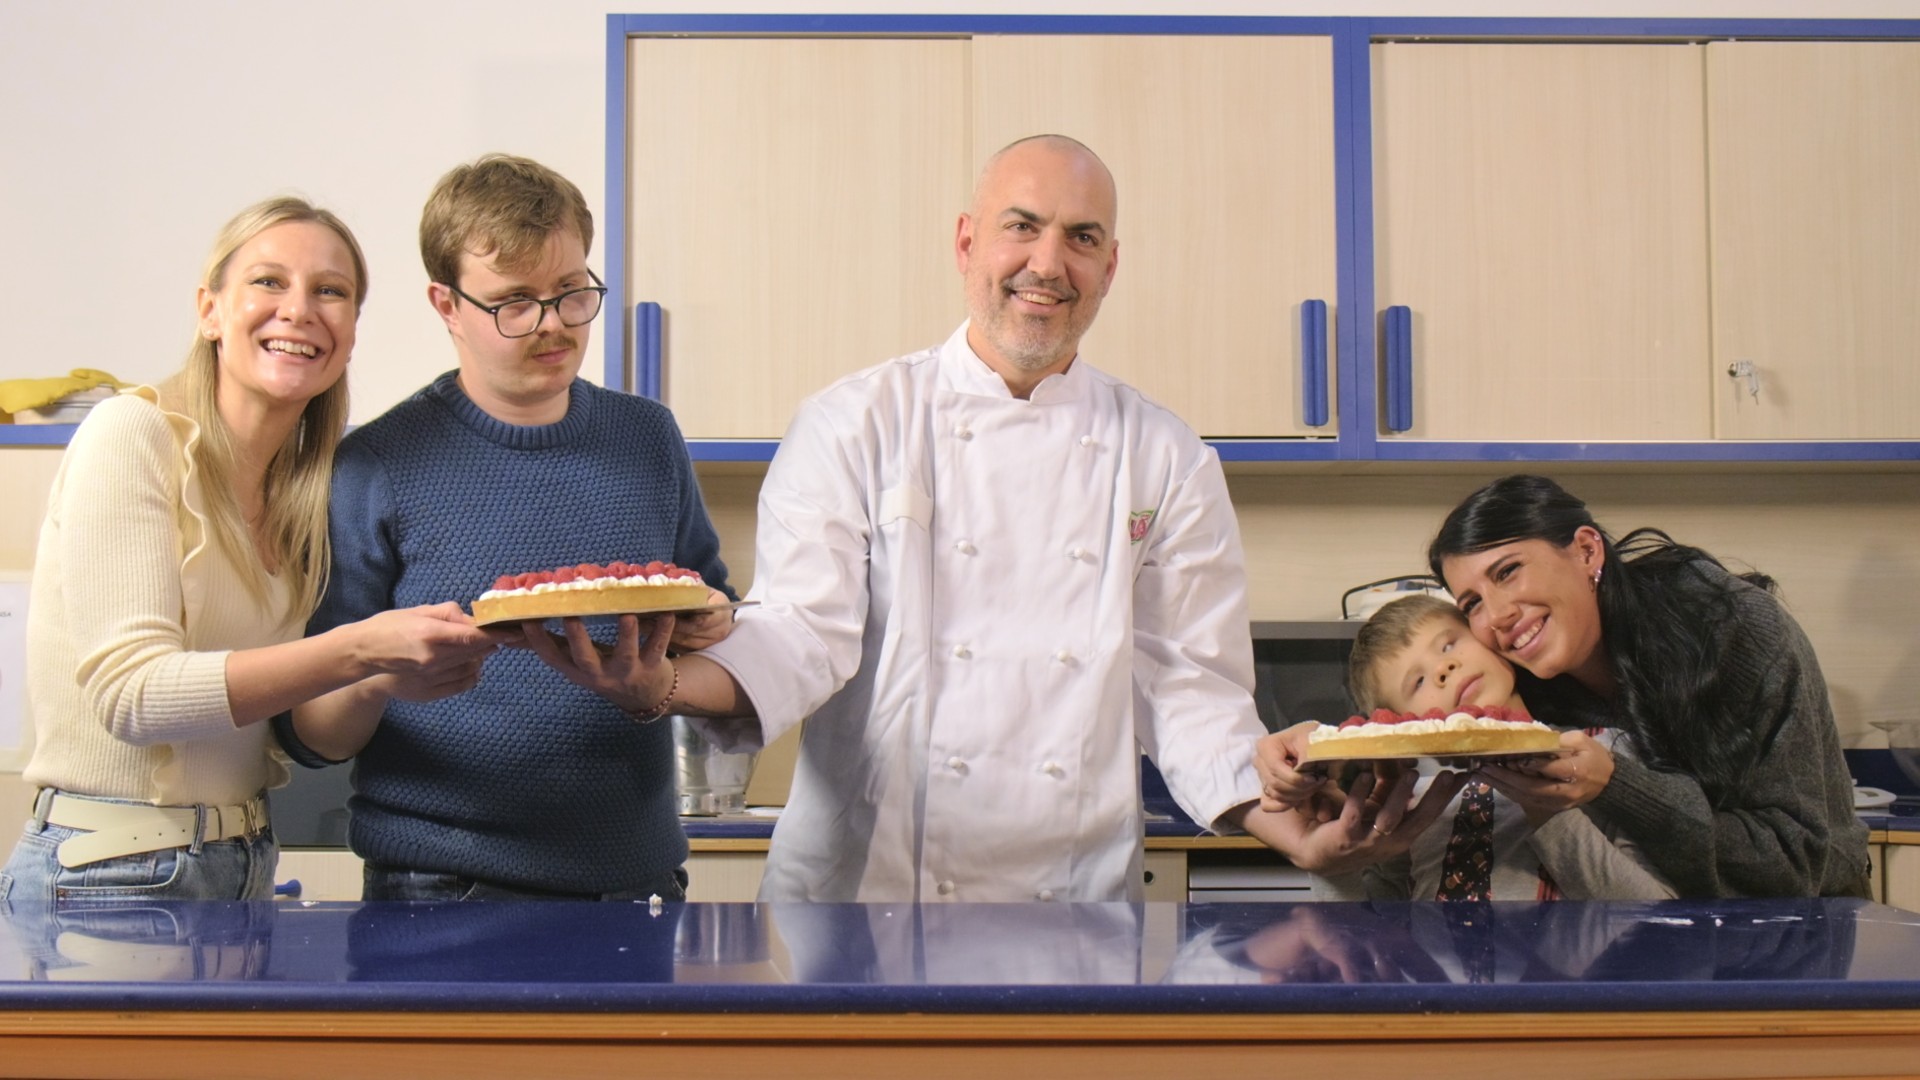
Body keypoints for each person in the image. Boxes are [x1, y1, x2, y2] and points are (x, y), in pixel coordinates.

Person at [527, 133, 1447, 902]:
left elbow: (1188, 686)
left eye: (1082, 237)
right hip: (865, 901)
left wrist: (1279, 815)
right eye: (1023, 227)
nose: (1049, 263)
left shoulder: (1167, 457)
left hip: (1075, 905)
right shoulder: (856, 422)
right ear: (967, 243)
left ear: (1110, 266)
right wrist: (662, 687)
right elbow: (805, 634)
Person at [2, 198, 501, 906]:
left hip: (238, 865)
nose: (299, 310)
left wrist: (379, 677)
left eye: (331, 291)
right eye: (269, 282)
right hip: (108, 873)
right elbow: (131, 694)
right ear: (209, 310)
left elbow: (309, 739)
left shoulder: (304, 493)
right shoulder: (132, 436)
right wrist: (360, 649)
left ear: (352, 332)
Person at [278, 155, 736, 902]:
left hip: (635, 881)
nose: (553, 325)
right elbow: (315, 732)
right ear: (446, 304)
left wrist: (699, 634)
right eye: (514, 303)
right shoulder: (375, 466)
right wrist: (382, 671)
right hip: (436, 892)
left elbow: (710, 608)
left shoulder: (648, 436)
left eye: (570, 293)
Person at [1262, 474, 1870, 899]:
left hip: (1803, 923)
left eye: (1509, 571)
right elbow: (1411, 713)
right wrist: (1322, 751)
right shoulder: (1516, 677)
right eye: (1472, 601)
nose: (1497, 615)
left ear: (1585, 551)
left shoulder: (1735, 633)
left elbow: (1800, 864)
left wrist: (1614, 785)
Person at [1316, 594, 1673, 902]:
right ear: (1398, 725)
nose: (1444, 668)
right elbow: (1369, 940)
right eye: (1418, 680)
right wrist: (1331, 866)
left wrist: (1547, 809)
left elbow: (1654, 913)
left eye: (1449, 644)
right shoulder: (1410, 804)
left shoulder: (1603, 754)